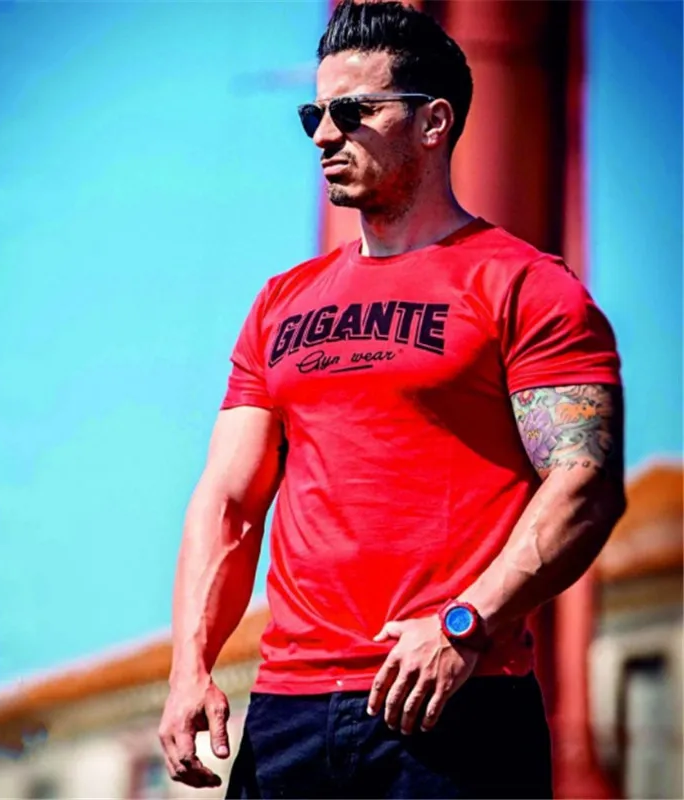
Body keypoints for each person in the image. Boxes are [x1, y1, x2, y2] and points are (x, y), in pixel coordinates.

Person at [158, 2, 626, 797]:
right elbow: (231, 501)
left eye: (352, 112)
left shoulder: (527, 286)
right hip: (288, 717)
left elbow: (585, 486)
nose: (323, 135)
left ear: (433, 122)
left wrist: (464, 624)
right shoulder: (280, 304)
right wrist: (188, 669)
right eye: (313, 114)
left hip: (455, 702)